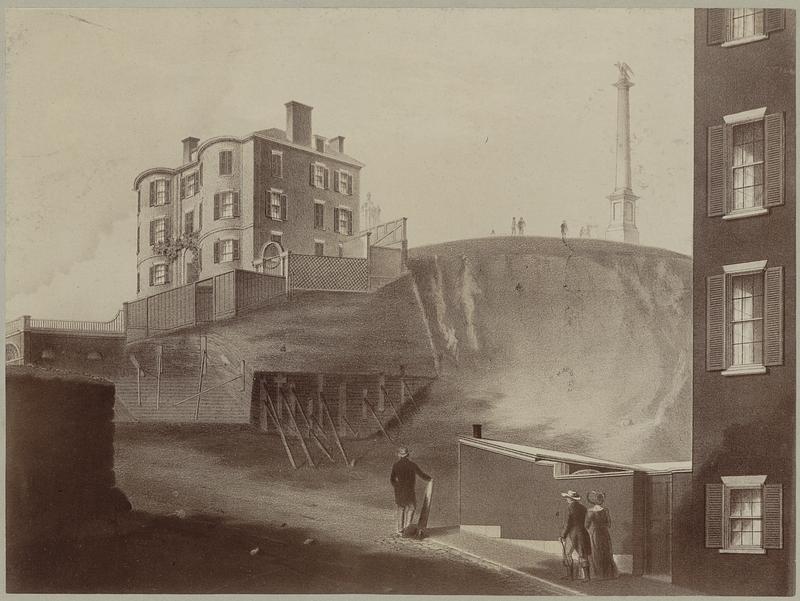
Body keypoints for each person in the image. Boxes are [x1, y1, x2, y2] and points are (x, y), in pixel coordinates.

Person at [390, 447, 431, 534]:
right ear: (408, 455)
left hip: (399, 491)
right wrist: (430, 479)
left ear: (399, 455)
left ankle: (400, 529)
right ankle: (407, 527)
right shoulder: (412, 465)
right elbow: (421, 474)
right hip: (409, 490)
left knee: (401, 508)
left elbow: (392, 479)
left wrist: (396, 486)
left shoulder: (396, 465)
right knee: (412, 508)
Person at [559, 489, 591, 582]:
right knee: (582, 554)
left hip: (572, 533)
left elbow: (567, 523)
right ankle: (587, 577)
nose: (566, 499)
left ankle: (570, 575)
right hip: (582, 532)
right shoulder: (583, 508)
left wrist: (562, 535)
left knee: (567, 553)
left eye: (567, 498)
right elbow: (586, 521)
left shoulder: (569, 508)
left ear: (570, 499)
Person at [586, 491, 618, 580]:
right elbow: (609, 524)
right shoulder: (605, 511)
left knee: (595, 553)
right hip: (604, 533)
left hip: (594, 534)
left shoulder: (590, 511)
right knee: (605, 552)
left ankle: (596, 574)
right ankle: (606, 574)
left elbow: (586, 525)